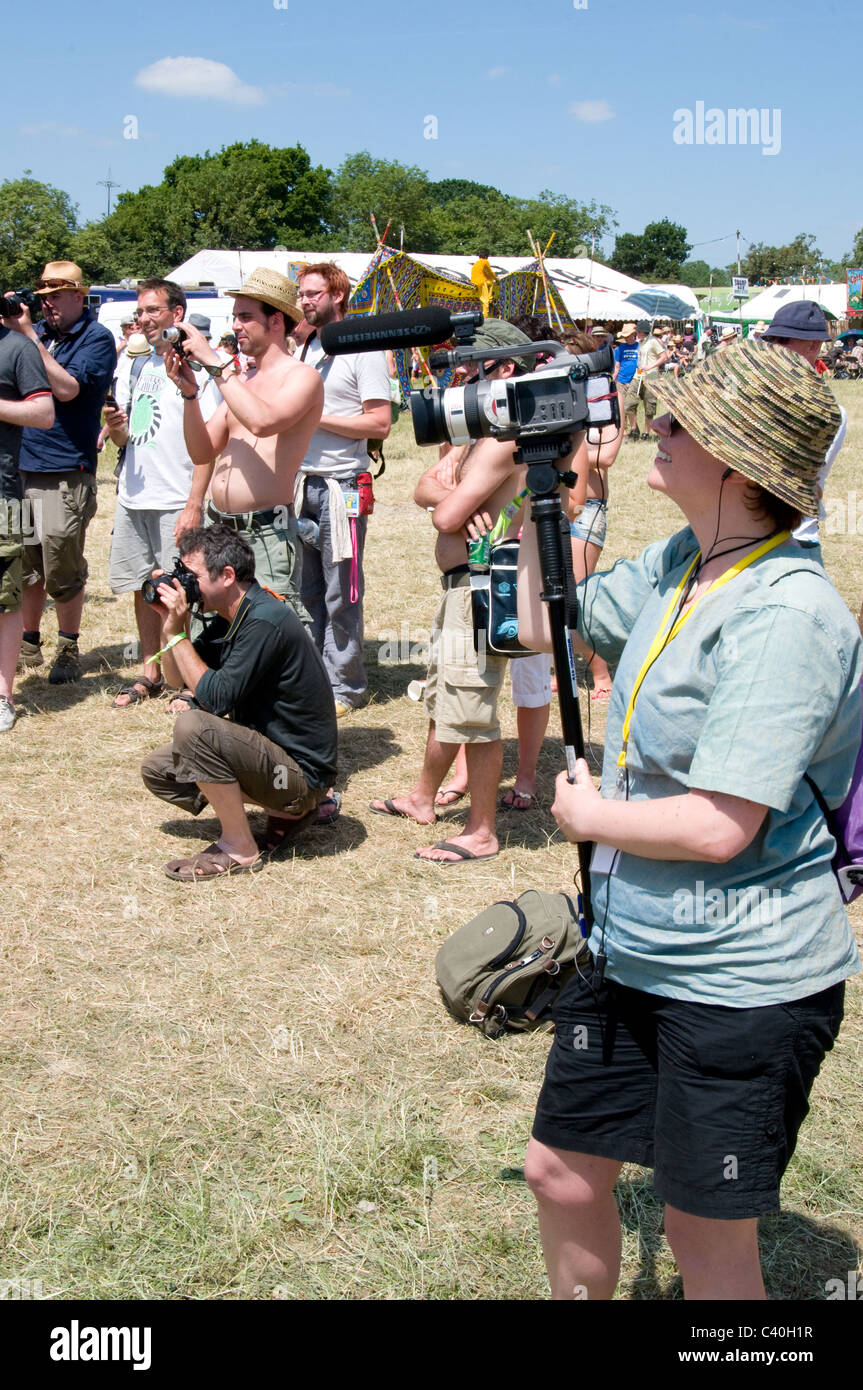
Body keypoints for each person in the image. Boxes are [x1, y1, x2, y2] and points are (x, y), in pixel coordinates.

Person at [517, 339, 861, 1300]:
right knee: (558, 1170)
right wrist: (553, 495)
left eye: (678, 421)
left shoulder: (787, 613)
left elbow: (720, 826)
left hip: (741, 983)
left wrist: (591, 816)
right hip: (629, 951)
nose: (653, 429)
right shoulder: (686, 559)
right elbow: (550, 617)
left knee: (702, 1235)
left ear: (739, 459)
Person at [370, 320, 584, 863]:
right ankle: (423, 797)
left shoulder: (500, 439)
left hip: (479, 588)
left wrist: (451, 497)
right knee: (449, 697)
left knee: (472, 709)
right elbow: (429, 486)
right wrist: (450, 493)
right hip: (464, 585)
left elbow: (445, 511)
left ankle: (481, 831)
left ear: (505, 370)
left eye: (469, 365)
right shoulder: (487, 435)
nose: (456, 374)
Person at [140, 525, 337, 880]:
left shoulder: (263, 620)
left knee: (193, 726)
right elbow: (175, 679)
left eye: (191, 576)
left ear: (227, 575)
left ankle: (240, 847)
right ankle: (286, 813)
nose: (183, 584)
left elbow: (213, 701)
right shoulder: (231, 616)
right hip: (275, 763)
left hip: (299, 777)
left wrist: (178, 635)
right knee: (159, 771)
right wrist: (170, 626)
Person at [163, 267, 323, 620]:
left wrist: (216, 364)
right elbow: (202, 451)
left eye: (246, 317)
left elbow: (263, 422)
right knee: (214, 633)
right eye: (235, 316)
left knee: (266, 636)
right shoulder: (242, 379)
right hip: (220, 529)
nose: (235, 325)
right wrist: (190, 393)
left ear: (276, 320)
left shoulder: (303, 377)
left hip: (266, 534)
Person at [103, 279, 222, 707]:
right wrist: (117, 428)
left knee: (183, 591)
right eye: (141, 311)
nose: (144, 319)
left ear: (177, 314)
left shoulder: (198, 370)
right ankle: (150, 672)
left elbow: (209, 444)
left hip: (176, 498)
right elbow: (128, 438)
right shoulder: (136, 365)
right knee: (143, 588)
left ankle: (189, 681)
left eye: (153, 310)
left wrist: (194, 504)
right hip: (134, 496)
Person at [8, 261, 116, 683]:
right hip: (22, 465)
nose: (47, 305)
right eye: (42, 298)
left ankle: (68, 645)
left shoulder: (96, 337)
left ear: (78, 295)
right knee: (26, 566)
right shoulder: (42, 334)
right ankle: (29, 642)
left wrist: (29, 337)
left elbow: (69, 387)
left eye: (55, 296)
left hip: (64, 469)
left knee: (62, 569)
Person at [294, 262, 392, 715]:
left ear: (337, 295)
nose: (305, 300)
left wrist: (315, 418)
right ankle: (316, 678)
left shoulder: (362, 347)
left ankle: (346, 687)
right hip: (302, 484)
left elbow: (380, 423)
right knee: (308, 590)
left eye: (313, 293)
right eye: (301, 293)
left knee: (342, 591)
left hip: (342, 486)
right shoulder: (307, 346)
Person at [762, 301, 846, 561]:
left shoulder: (829, 413)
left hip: (796, 541)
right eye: (771, 339)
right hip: (745, 540)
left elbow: (801, 481)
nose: (774, 347)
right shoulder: (757, 395)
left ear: (813, 346)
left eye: (783, 340)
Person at [0, 325, 54, 730]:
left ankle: (3, 697)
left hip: (3, 494)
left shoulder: (17, 348)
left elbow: (43, 413)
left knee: (5, 600)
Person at [622, 323, 668, 442]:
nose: (636, 333)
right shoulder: (641, 342)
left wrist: (651, 366)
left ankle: (646, 433)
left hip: (651, 377)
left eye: (637, 331)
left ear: (642, 331)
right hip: (638, 376)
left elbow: (664, 357)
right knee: (628, 403)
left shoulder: (653, 341)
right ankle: (634, 429)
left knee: (649, 406)